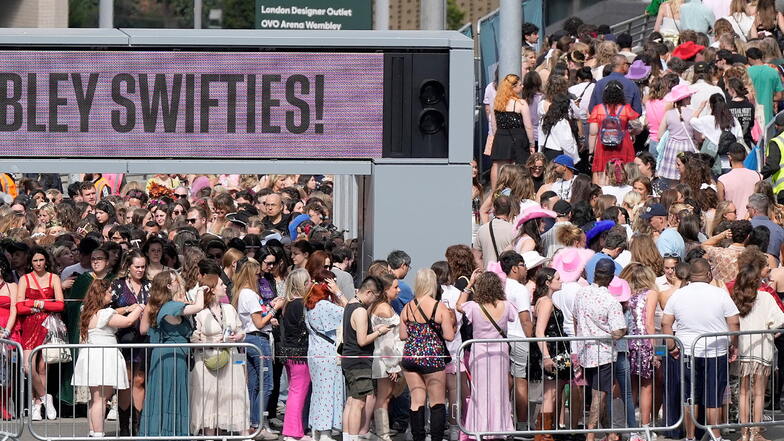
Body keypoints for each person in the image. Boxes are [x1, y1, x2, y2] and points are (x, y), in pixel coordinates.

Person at [661, 258, 740, 441]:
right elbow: (734, 321)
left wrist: (672, 347)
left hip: (688, 351)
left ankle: (690, 437)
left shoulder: (679, 294)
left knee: (690, 397)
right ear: (709, 274)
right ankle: (716, 436)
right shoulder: (719, 293)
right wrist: (733, 344)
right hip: (715, 351)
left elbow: (666, 322)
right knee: (713, 396)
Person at [72, 278, 143, 438]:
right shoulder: (105, 313)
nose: (112, 294)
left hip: (91, 355)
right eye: (109, 292)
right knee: (101, 399)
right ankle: (98, 433)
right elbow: (129, 321)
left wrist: (126, 308)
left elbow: (115, 313)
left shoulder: (87, 310)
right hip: (103, 357)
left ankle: (93, 431)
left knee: (95, 397)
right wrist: (140, 307)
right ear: (101, 295)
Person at [138, 270, 204, 438]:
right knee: (171, 394)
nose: (178, 284)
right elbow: (199, 307)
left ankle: (161, 431)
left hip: (166, 354)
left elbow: (144, 330)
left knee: (164, 394)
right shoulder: (171, 306)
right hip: (172, 356)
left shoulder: (160, 305)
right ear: (168, 285)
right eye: (176, 281)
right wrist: (201, 290)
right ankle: (170, 432)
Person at [573, 258, 627, 441]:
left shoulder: (581, 294)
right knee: (599, 395)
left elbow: (575, 319)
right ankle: (590, 435)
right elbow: (618, 331)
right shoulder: (611, 301)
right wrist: (624, 329)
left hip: (585, 352)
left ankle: (610, 434)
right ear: (612, 278)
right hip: (603, 353)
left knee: (599, 394)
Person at [189, 274, 248, 437]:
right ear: (212, 289)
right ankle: (209, 434)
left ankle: (237, 432)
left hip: (230, 358)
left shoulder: (229, 309)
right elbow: (193, 337)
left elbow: (240, 329)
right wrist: (212, 342)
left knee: (233, 394)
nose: (225, 287)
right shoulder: (200, 312)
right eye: (221, 284)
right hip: (208, 361)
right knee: (210, 398)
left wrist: (239, 336)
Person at [400, 269, 454, 441]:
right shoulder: (439, 307)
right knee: (436, 401)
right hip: (432, 357)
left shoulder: (407, 307)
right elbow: (449, 336)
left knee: (417, 399)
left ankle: (418, 437)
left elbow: (403, 335)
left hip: (410, 356)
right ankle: (436, 438)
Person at [234, 257, 283, 440]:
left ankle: (253, 425)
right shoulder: (249, 294)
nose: (259, 278)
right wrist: (275, 309)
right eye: (257, 274)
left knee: (254, 385)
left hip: (251, 339)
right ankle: (258, 425)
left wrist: (269, 309)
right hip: (258, 341)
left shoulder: (243, 294)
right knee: (267, 384)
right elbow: (259, 322)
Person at [16, 247, 65, 421]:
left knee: (43, 367)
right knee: (28, 366)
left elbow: (60, 305)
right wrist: (42, 304)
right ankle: (45, 397)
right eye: (35, 260)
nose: (38, 263)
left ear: (46, 260)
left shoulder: (54, 278)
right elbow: (20, 307)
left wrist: (36, 303)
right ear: (30, 262)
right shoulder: (24, 279)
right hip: (29, 325)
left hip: (48, 325)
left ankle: (37, 405)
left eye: (41, 260)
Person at [341, 276, 392, 441]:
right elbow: (362, 341)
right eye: (375, 297)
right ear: (369, 292)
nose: (374, 301)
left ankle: (347, 436)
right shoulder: (361, 310)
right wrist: (379, 332)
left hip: (349, 359)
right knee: (359, 403)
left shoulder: (349, 304)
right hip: (359, 362)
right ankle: (353, 438)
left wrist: (373, 329)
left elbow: (356, 331)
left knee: (351, 401)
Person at [109, 250, 150, 436]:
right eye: (137, 267)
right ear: (129, 267)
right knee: (125, 381)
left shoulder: (150, 286)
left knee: (140, 380)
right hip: (123, 337)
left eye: (143, 266)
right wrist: (127, 309)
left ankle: (138, 425)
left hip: (144, 338)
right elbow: (106, 312)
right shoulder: (117, 285)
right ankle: (124, 426)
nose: (140, 270)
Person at [620, 263, 660, 435]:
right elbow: (649, 322)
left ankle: (630, 427)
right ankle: (645, 427)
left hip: (628, 344)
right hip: (645, 344)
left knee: (631, 388)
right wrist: (656, 352)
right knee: (647, 386)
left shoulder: (626, 296)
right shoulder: (651, 294)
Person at [497, 251, 534, 432]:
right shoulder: (520, 289)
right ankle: (521, 424)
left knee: (506, 380)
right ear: (514, 268)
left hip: (502, 338)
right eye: (523, 265)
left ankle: (504, 420)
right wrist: (533, 340)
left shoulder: (498, 286)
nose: (526, 269)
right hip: (519, 337)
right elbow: (525, 318)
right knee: (520, 381)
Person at [367, 272, 403, 441]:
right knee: (383, 397)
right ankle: (383, 434)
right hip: (384, 359)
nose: (399, 290)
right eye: (395, 287)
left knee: (384, 396)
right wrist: (393, 366)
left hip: (382, 358)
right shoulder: (384, 309)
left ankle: (379, 431)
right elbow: (387, 341)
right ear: (386, 289)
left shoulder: (379, 306)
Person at [588, 80, 640, 184]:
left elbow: (593, 132)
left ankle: (603, 192)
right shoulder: (626, 109)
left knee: (602, 170)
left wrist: (591, 152)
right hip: (623, 144)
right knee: (625, 169)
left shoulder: (598, 109)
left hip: (603, 146)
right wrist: (631, 133)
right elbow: (638, 127)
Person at [489, 74, 535, 189]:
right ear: (513, 87)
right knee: (517, 165)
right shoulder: (521, 103)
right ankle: (516, 190)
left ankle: (495, 191)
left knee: (497, 165)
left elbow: (493, 124)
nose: (523, 86)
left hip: (500, 136)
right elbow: (528, 126)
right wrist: (531, 143)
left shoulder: (496, 102)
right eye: (520, 84)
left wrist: (497, 136)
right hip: (517, 137)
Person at [657, 85, 697, 186]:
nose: (690, 98)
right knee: (687, 178)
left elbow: (660, 135)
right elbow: (698, 136)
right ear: (684, 99)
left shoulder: (668, 114)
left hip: (672, 147)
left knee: (672, 182)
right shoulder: (693, 113)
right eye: (688, 96)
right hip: (687, 148)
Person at [718, 143, 761, 218]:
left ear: (729, 157)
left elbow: (721, 207)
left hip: (733, 223)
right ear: (745, 156)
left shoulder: (722, 180)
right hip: (754, 221)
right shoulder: (758, 176)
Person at [472, 196, 516, 268]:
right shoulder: (514, 231)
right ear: (510, 210)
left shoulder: (482, 230)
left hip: (488, 276)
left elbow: (476, 258)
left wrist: (484, 272)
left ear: (494, 209)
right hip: (506, 276)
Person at [747, 47, 784, 125]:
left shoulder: (746, 72)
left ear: (749, 58)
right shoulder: (773, 71)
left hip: (752, 113)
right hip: (768, 114)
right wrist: (768, 97)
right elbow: (779, 96)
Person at [748, 193, 784, 263]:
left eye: (747, 207)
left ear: (754, 210)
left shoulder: (746, 227)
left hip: (750, 268)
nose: (747, 210)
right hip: (773, 269)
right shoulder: (779, 229)